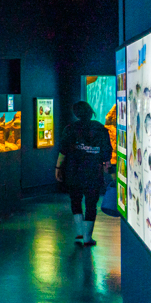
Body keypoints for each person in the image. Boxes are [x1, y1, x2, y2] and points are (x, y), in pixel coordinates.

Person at [55, 101, 113, 246]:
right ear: (90, 112)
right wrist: (109, 169)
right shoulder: (100, 129)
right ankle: (87, 238)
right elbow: (106, 153)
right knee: (91, 204)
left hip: (73, 172)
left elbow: (63, 151)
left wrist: (57, 168)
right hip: (93, 173)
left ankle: (79, 234)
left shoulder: (70, 129)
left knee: (75, 201)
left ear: (76, 113)